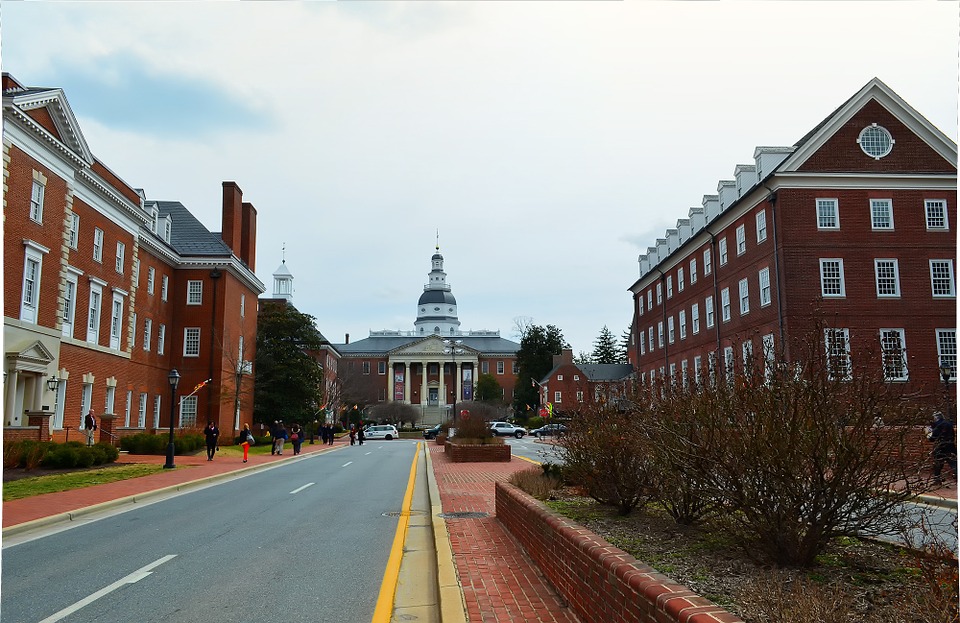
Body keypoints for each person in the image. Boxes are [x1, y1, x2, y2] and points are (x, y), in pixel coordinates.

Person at [929, 411, 957, 485]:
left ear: (936, 418)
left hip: (940, 447)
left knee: (938, 464)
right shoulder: (949, 424)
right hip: (951, 445)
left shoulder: (938, 426)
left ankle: (937, 480)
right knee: (953, 463)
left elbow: (932, 438)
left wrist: (929, 434)